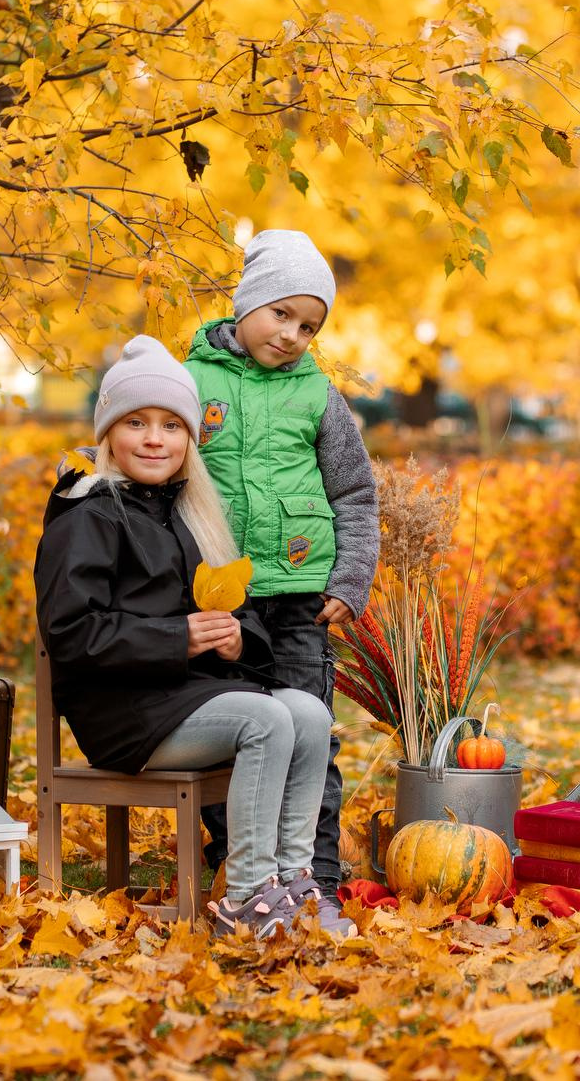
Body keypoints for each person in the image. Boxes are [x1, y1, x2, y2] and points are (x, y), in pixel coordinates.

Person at [34, 336, 344, 939]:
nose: (155, 438)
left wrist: (234, 641)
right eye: (136, 422)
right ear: (108, 436)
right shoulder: (87, 518)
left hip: (188, 696)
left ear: (189, 442)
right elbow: (74, 633)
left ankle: (293, 879)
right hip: (123, 713)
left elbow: (239, 613)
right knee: (266, 719)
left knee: (306, 711)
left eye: (172, 426)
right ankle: (248, 898)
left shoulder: (190, 514)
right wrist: (178, 637)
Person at [184, 229, 379, 936]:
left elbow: (355, 492)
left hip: (300, 597)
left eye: (310, 325)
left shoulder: (318, 396)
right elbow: (148, 459)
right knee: (233, 733)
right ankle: (240, 870)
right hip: (220, 597)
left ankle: (313, 881)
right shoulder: (193, 382)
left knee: (309, 737)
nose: (294, 334)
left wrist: (350, 577)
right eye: (282, 315)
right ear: (248, 303)